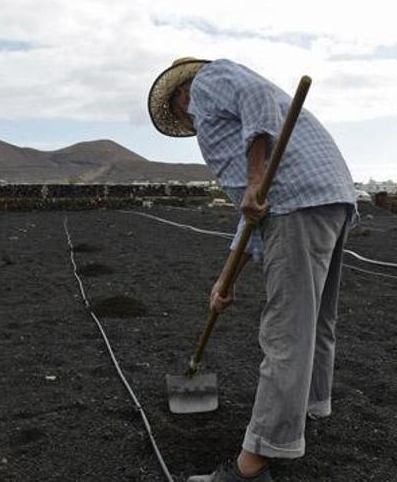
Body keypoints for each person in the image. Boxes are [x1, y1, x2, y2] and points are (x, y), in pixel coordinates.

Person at [148, 58, 358, 482]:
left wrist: (255, 175)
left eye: (180, 112)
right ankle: (308, 408)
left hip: (296, 202)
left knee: (286, 332)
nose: (187, 119)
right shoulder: (232, 121)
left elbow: (258, 103)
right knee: (314, 321)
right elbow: (254, 215)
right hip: (326, 196)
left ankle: (253, 463)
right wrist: (226, 278)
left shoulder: (208, 80)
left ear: (181, 94)